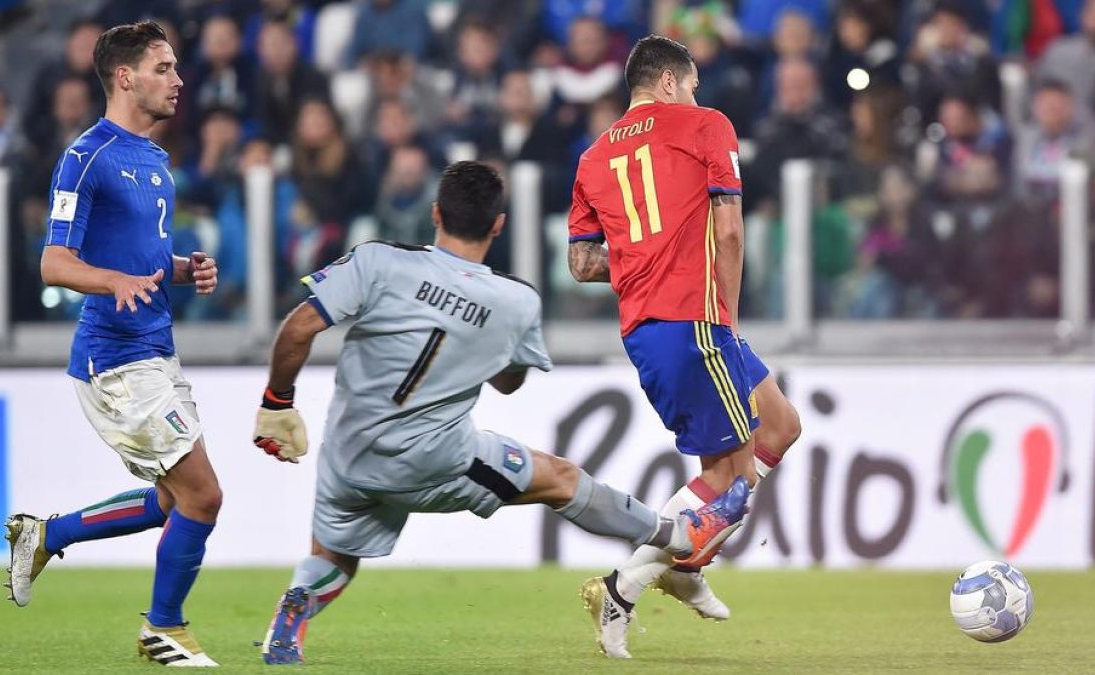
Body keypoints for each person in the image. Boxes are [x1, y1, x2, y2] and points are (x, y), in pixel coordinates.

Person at [249, 161, 750, 665]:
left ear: (435, 213)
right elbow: (509, 383)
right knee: (558, 478)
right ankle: (680, 537)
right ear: (498, 225)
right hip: (436, 458)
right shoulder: (514, 300)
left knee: (335, 555)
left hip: (348, 457)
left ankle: (295, 610)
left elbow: (298, 329)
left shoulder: (376, 260)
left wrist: (276, 404)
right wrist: (477, 344)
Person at [567, 35, 802, 658]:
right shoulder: (705, 126)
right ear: (670, 82)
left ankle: (687, 568)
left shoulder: (592, 159)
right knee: (734, 482)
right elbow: (728, 227)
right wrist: (723, 314)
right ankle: (625, 586)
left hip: (649, 325)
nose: (698, 94)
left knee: (779, 423)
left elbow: (582, 263)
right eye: (692, 84)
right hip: (697, 320)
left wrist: (644, 257)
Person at [3, 22, 222, 667]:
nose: (178, 79)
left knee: (171, 502)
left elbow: (141, 256)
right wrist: (113, 281)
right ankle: (164, 630)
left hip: (156, 348)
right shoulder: (85, 156)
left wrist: (184, 268)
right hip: (115, 361)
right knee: (204, 496)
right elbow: (53, 263)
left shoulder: (155, 158)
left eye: (176, 67)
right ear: (126, 78)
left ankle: (46, 535)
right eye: (164, 67)